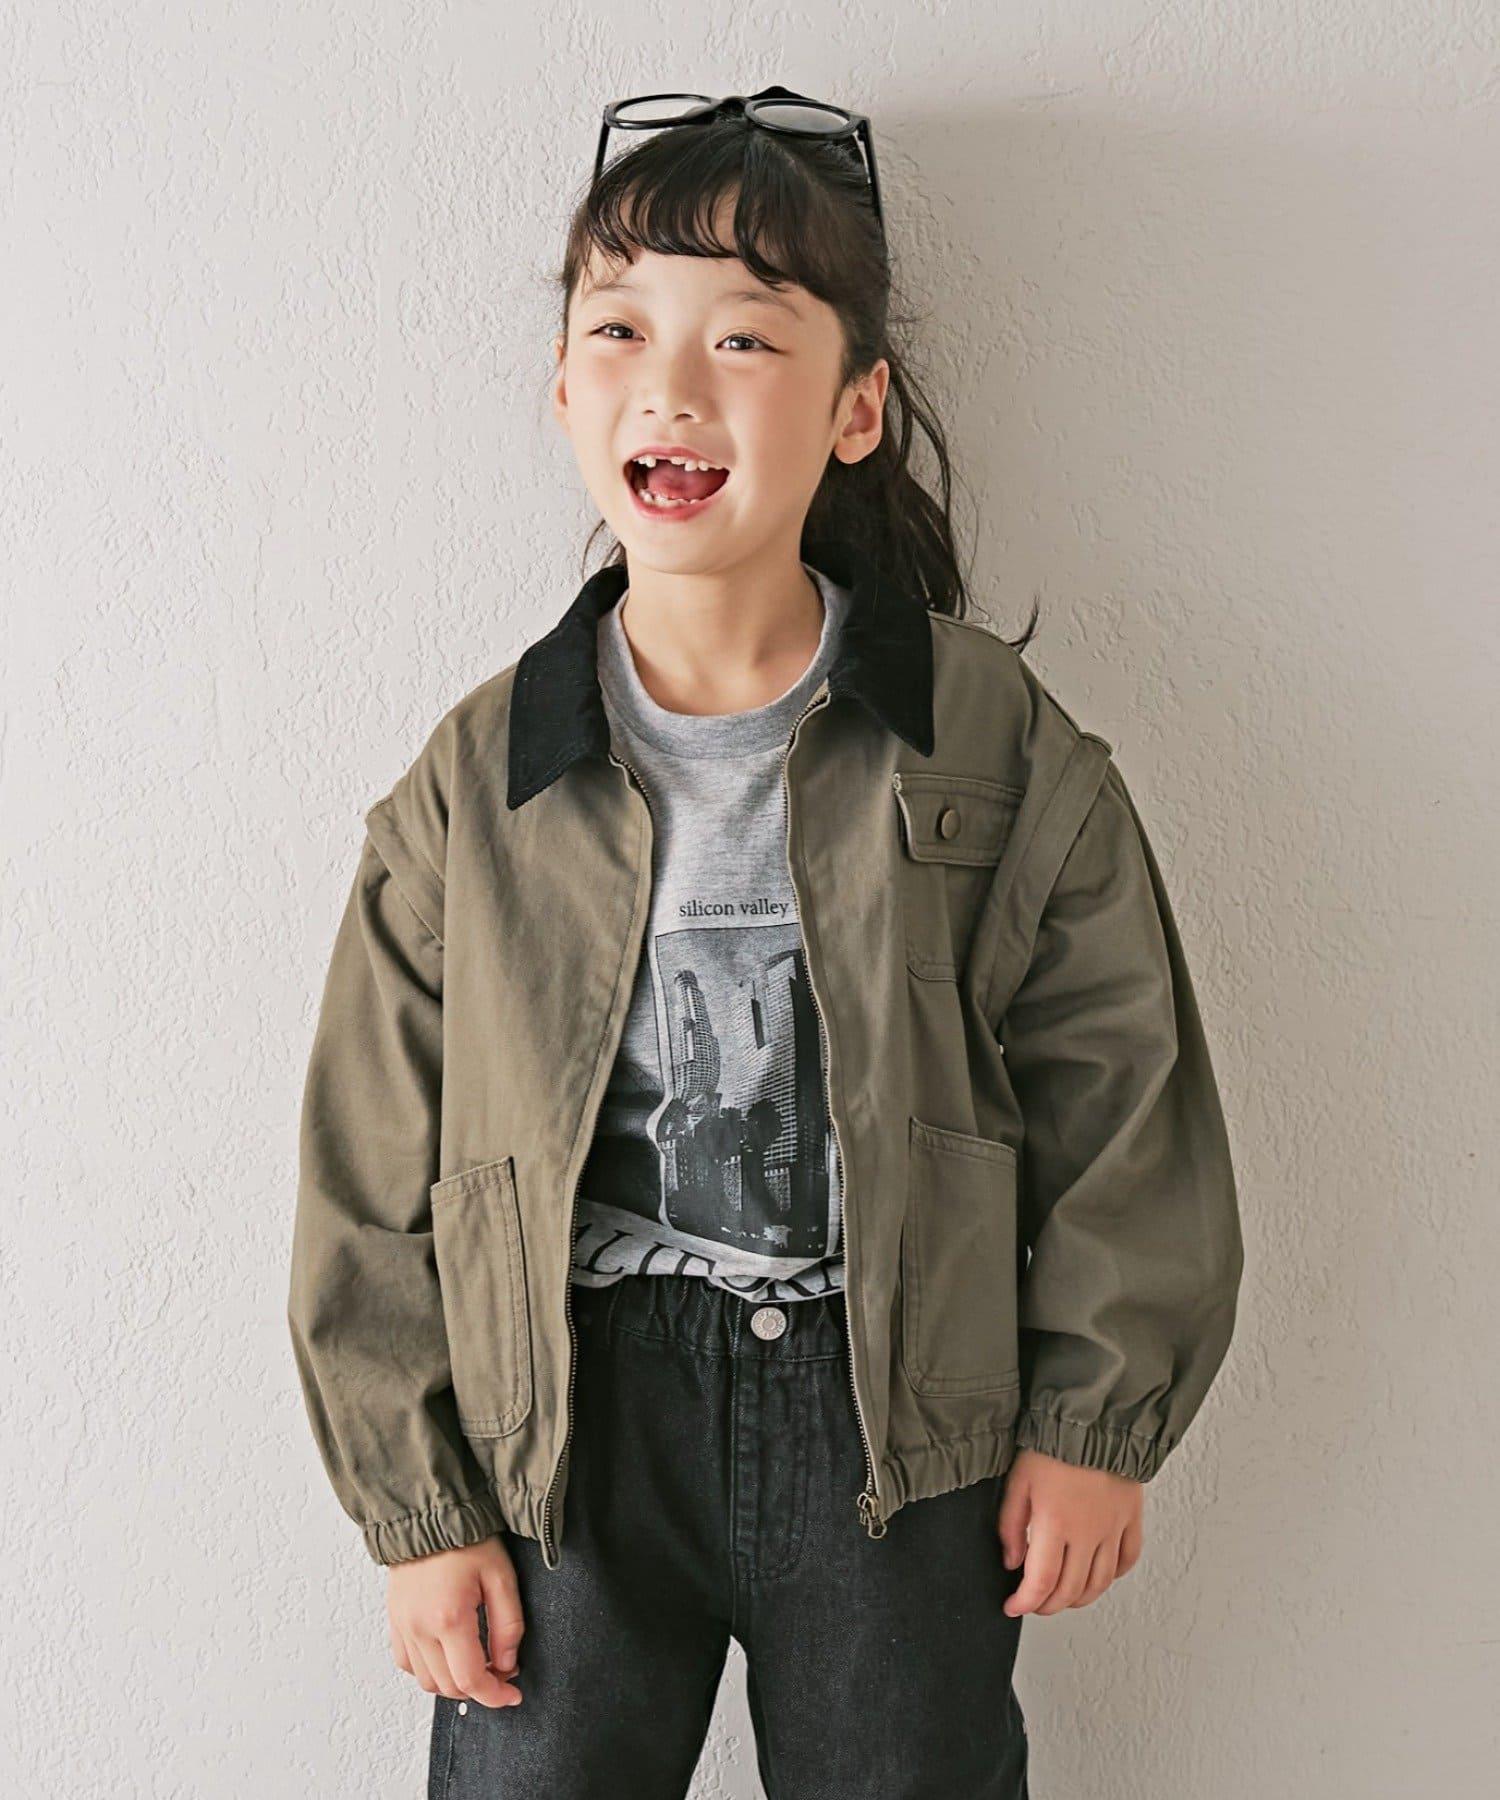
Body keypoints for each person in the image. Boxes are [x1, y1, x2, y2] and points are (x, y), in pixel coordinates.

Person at [287, 87, 1244, 1800]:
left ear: (856, 406)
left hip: (897, 1420)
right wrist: (419, 1511)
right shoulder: (483, 776)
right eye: (621, 330)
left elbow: (1124, 1082)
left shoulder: (984, 740)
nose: (673, 383)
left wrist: (1094, 1422)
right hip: (568, 1429)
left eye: (743, 336)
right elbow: (369, 1161)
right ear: (563, 389)